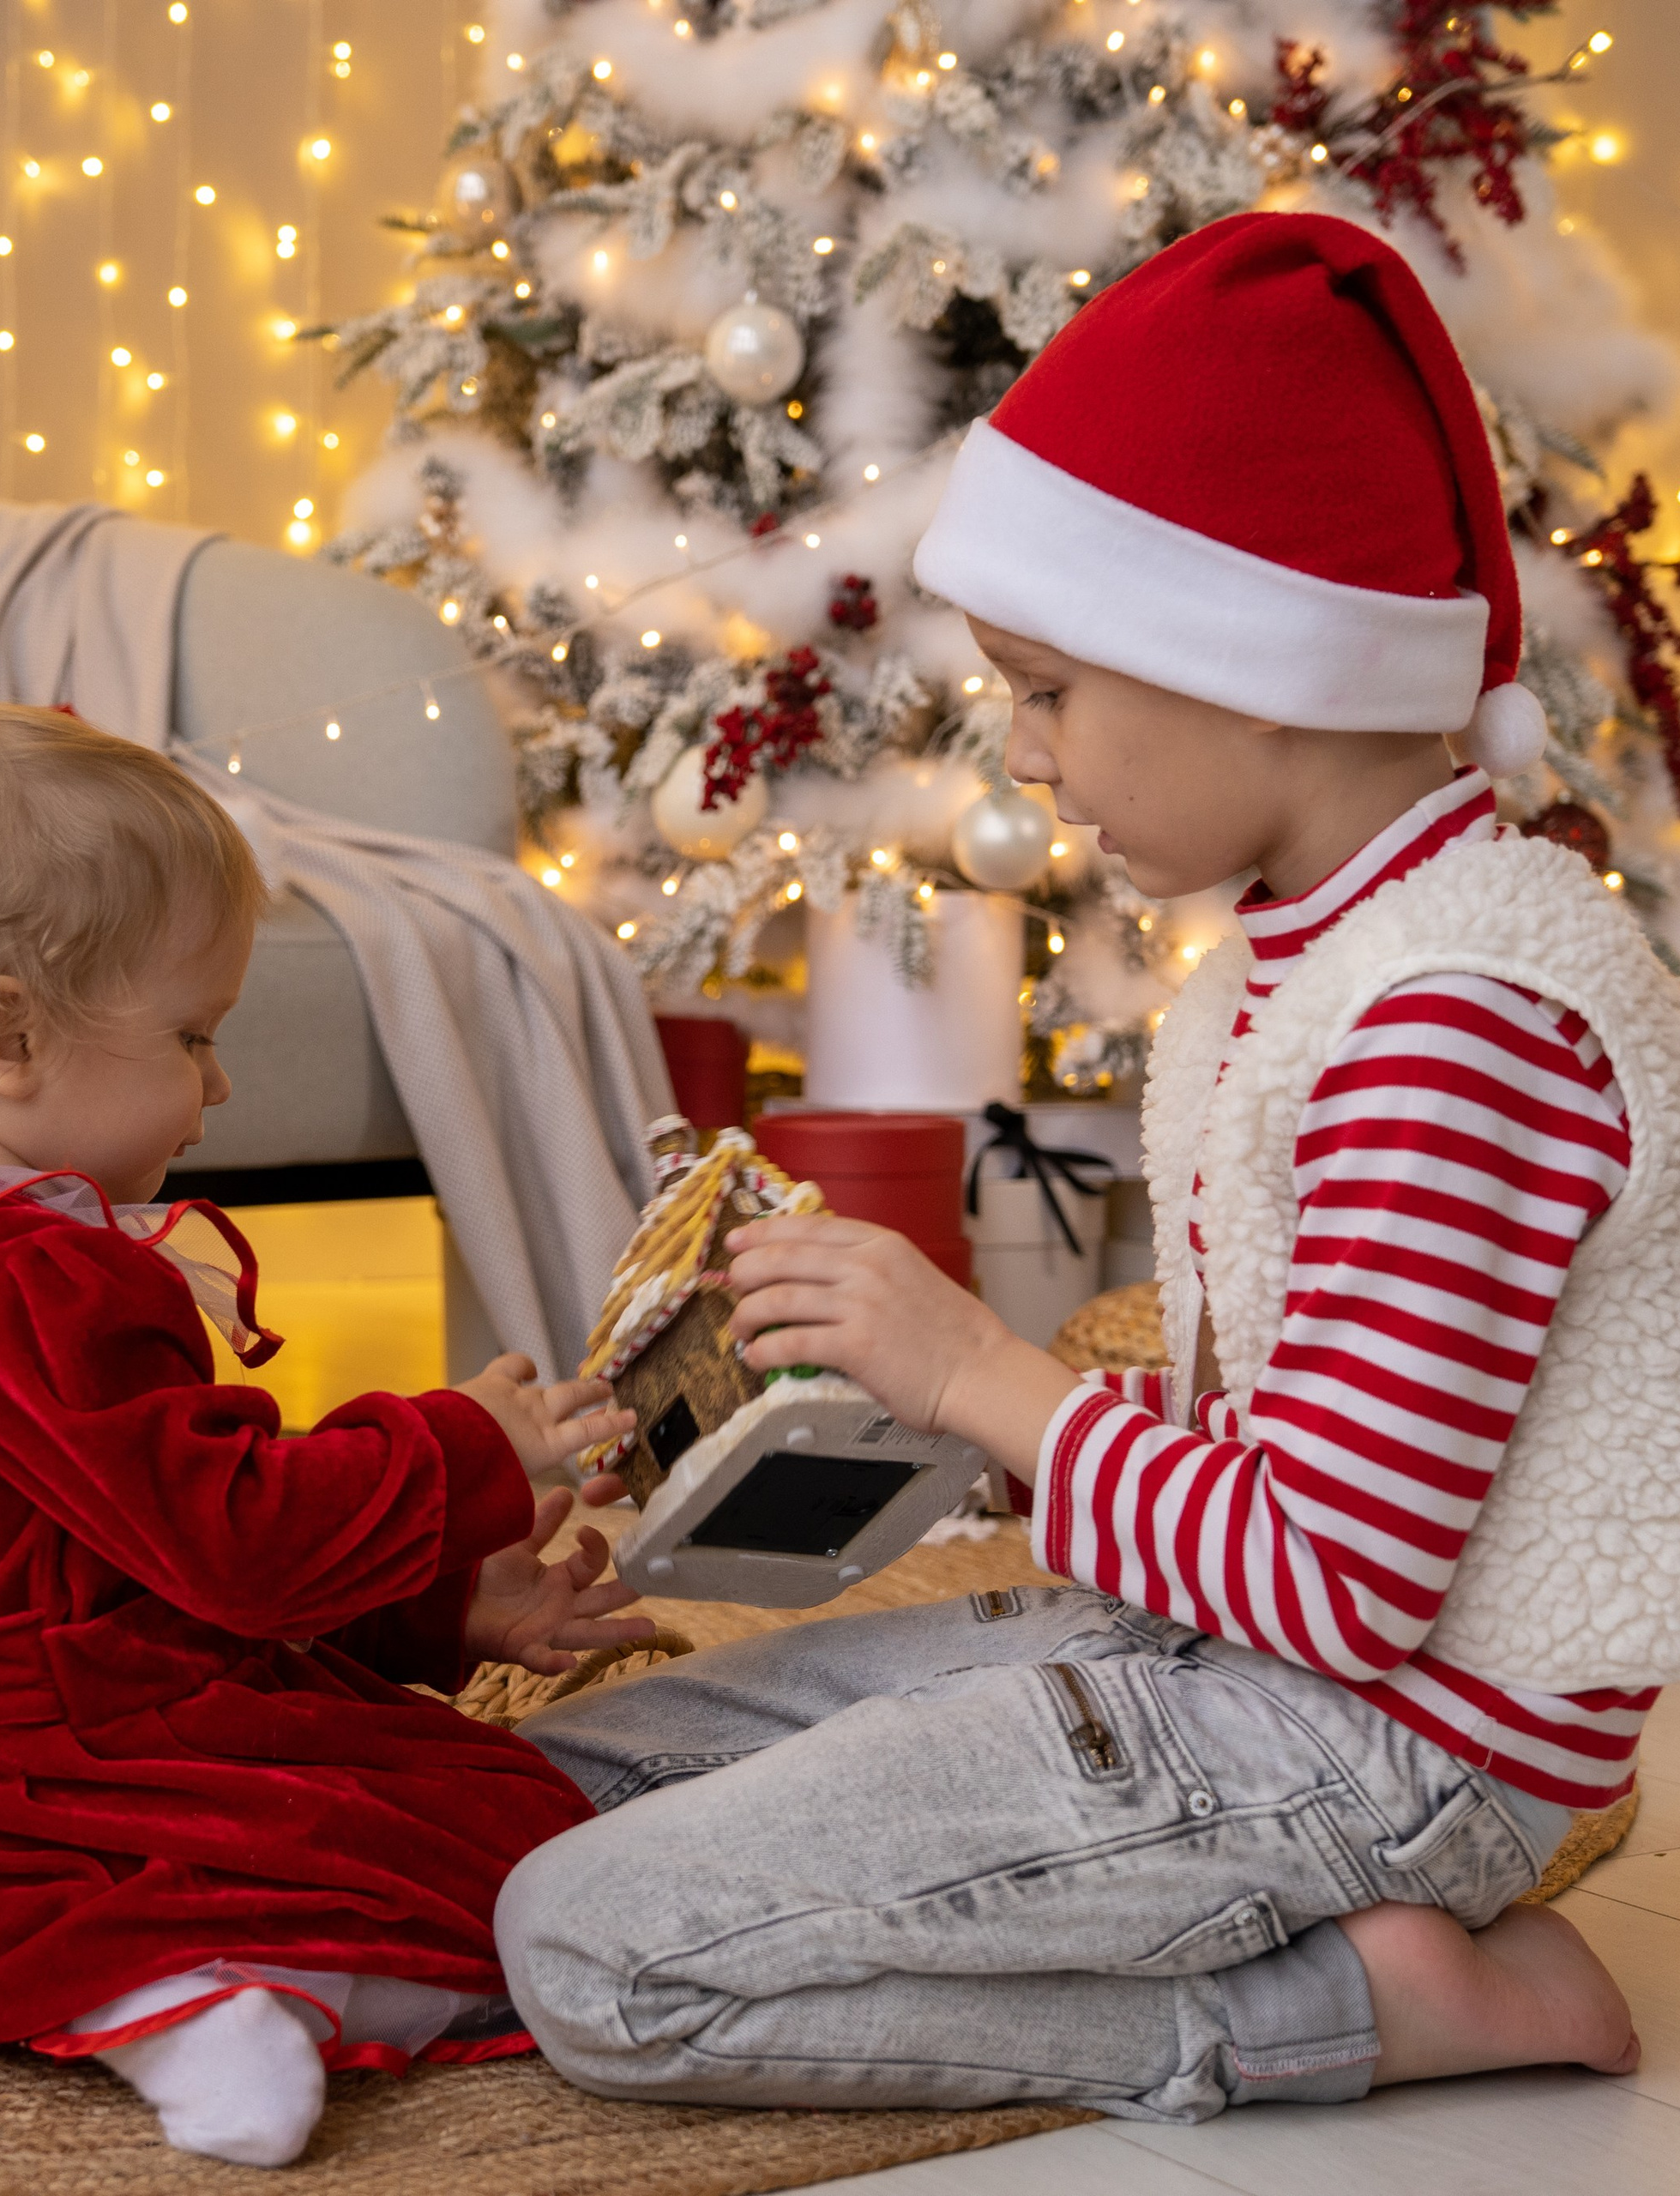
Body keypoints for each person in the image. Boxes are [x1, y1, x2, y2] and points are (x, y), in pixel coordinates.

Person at [496, 211, 1677, 2122]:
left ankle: (1369, 2003)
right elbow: (1315, 1427)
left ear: (1252, 655)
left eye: (1048, 688)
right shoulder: (1319, 955)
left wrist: (989, 1372)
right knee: (562, 1781)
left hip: (1376, 1748)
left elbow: (1339, 1581)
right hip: (1227, 1651)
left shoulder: (1445, 1019)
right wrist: (949, 1414)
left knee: (589, 1944)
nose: (1030, 758)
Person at [0, 702, 651, 2167]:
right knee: (479, 1861)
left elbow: (137, 1557)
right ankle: (201, 1991)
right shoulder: (38, 1279)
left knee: (454, 1811)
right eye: (193, 1035)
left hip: (28, 1706)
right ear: (5, 1037)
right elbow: (231, 1547)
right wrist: (459, 1449)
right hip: (44, 1756)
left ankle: (217, 1976)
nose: (218, 1084)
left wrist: (442, 1600)